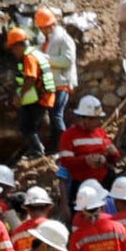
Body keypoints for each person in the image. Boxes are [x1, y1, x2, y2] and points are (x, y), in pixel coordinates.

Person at [35, 11, 79, 151]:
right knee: (53, 116)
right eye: (41, 28)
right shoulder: (44, 41)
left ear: (52, 24)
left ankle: (65, 147)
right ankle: (54, 149)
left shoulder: (63, 39)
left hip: (63, 82)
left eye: (45, 27)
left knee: (56, 114)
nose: (43, 30)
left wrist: (47, 60)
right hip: (50, 84)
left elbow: (68, 60)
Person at [4, 28, 52, 152]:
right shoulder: (34, 53)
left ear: (19, 46)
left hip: (40, 97)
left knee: (26, 127)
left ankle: (37, 150)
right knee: (28, 125)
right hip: (42, 95)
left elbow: (30, 79)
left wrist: (20, 96)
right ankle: (35, 150)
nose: (14, 52)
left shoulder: (29, 57)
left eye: (13, 49)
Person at [59, 97, 118, 197]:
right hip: (81, 185)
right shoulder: (69, 135)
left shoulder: (100, 132)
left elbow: (113, 159)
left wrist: (113, 154)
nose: (100, 122)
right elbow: (65, 161)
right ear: (84, 119)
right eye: (96, 119)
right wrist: (85, 160)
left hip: (103, 183)